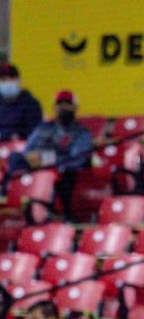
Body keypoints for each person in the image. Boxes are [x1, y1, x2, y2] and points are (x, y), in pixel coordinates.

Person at [6, 90, 93, 221]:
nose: (63, 108)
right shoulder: (44, 127)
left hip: (61, 170)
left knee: (65, 174)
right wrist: (32, 157)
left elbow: (77, 159)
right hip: (35, 166)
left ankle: (52, 213)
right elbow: (29, 148)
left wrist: (46, 159)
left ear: (75, 107)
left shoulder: (82, 132)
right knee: (15, 158)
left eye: (67, 104)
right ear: (54, 107)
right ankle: (9, 198)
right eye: (60, 104)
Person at [0, 63, 43, 142]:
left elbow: (35, 132)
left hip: (22, 148)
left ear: (19, 80)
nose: (8, 82)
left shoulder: (31, 104)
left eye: (12, 78)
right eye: (3, 79)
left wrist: (16, 135)